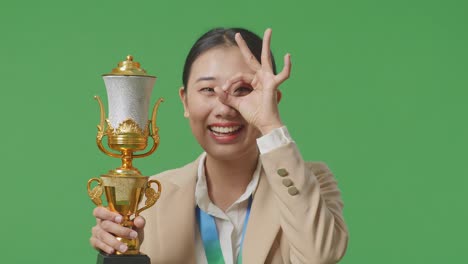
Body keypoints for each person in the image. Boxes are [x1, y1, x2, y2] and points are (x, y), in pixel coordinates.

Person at [90, 27, 348, 264]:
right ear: (185, 101)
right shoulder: (150, 198)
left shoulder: (309, 183)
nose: (225, 108)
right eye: (208, 90)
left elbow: (320, 256)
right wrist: (119, 248)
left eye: (243, 89)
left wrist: (270, 125)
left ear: (273, 100)